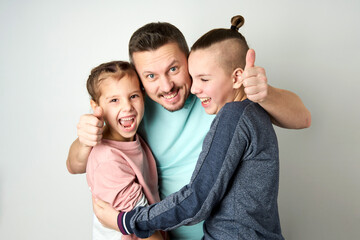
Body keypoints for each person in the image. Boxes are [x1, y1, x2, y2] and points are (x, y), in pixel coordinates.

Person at [67, 19, 311, 239]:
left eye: (173, 69)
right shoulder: (135, 108)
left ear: (188, 58)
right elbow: (78, 165)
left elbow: (303, 118)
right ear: (139, 82)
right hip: (166, 233)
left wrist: (264, 93)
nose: (166, 85)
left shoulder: (219, 93)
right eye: (150, 76)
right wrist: (86, 139)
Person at [84, 61, 163, 240]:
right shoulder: (109, 161)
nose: (127, 106)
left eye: (133, 96)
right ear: (97, 107)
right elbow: (146, 231)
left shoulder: (134, 136)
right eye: (114, 100)